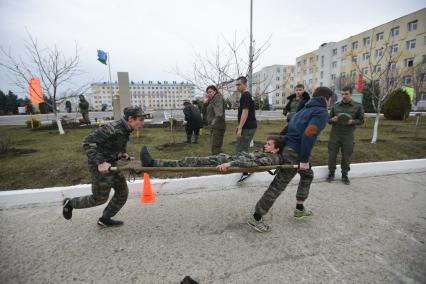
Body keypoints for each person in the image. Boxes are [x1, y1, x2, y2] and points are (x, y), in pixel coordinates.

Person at [141, 87, 334, 233]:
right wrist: (303, 160)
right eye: (330, 100)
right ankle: (258, 217)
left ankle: (299, 207)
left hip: (282, 149)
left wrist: (278, 144)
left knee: (306, 176)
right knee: (280, 185)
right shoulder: (320, 112)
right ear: (326, 99)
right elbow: (309, 135)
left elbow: (288, 129)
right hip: (293, 153)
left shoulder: (302, 110)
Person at [62, 106, 147, 227]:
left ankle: (105, 219)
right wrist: (101, 162)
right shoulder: (113, 128)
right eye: (141, 119)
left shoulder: (125, 129)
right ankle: (70, 203)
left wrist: (122, 154)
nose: (143, 123)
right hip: (100, 166)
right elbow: (87, 142)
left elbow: (113, 144)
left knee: (122, 192)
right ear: (130, 119)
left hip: (111, 164)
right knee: (99, 198)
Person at [326, 86, 364, 185]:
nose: (344, 96)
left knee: (346, 156)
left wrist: (353, 121)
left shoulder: (357, 106)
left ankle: (344, 175)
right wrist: (332, 120)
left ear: (351, 94)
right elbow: (328, 120)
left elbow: (361, 121)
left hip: (348, 135)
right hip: (335, 134)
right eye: (342, 94)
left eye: (346, 94)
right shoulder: (336, 106)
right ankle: (331, 173)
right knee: (332, 155)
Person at [235, 76, 257, 182]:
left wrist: (240, 127)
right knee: (242, 148)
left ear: (245, 84)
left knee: (242, 149)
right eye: (236, 85)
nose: (237, 87)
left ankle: (246, 171)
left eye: (239, 84)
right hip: (248, 126)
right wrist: (239, 125)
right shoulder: (247, 95)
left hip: (248, 127)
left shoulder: (245, 95)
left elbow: (245, 112)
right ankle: (246, 168)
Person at [205, 85, 226, 154]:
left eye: (210, 92)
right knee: (216, 147)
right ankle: (219, 161)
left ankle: (218, 162)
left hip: (218, 126)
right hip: (215, 126)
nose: (208, 94)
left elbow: (219, 114)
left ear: (215, 91)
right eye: (207, 92)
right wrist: (206, 102)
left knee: (216, 148)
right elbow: (205, 112)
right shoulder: (212, 100)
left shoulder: (218, 98)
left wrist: (212, 124)